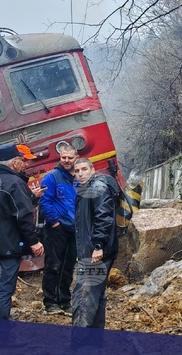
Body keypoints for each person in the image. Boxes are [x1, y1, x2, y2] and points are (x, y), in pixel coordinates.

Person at [0, 142, 44, 321]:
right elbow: (23, 216)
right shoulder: (15, 183)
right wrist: (34, 242)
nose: (26, 164)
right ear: (14, 162)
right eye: (23, 160)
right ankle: (1, 334)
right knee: (4, 290)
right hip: (8, 245)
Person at [70, 157, 121, 329]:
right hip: (96, 251)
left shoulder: (97, 188)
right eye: (77, 171)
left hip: (96, 252)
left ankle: (79, 341)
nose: (80, 174)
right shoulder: (87, 189)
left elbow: (103, 218)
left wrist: (98, 245)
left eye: (84, 169)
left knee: (83, 297)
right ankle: (94, 340)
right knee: (96, 296)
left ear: (92, 170)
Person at [38, 141, 78, 315]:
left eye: (70, 158)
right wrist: (54, 222)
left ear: (76, 157)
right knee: (53, 265)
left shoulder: (79, 177)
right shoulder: (51, 177)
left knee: (68, 266)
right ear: (60, 157)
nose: (66, 161)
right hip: (57, 229)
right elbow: (45, 202)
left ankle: (65, 300)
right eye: (63, 157)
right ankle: (50, 302)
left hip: (74, 229)